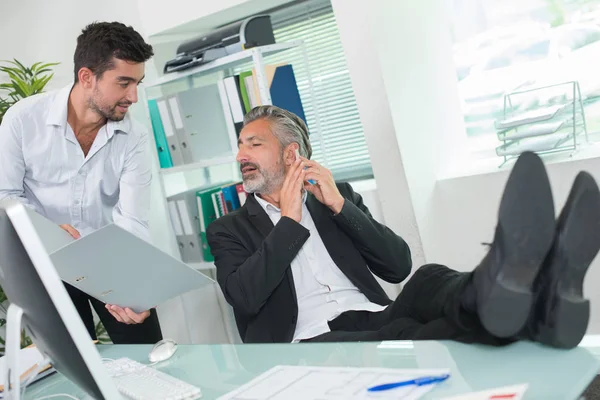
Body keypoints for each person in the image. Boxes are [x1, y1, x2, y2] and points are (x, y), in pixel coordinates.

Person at [207, 105, 600, 349]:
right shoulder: (229, 228)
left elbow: (398, 267)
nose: (241, 155)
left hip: (372, 312)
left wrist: (342, 207)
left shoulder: (334, 198)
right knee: (405, 336)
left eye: (254, 144)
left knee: (430, 277)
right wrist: (289, 220)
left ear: (291, 154)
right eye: (240, 145)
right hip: (306, 340)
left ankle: (521, 285)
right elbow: (245, 297)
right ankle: (543, 308)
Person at [0, 22, 162, 344]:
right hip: (48, 265)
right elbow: (5, 195)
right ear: (87, 77)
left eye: (138, 83)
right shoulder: (23, 120)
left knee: (149, 352)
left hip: (110, 261)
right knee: (76, 373)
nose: (133, 97)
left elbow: (132, 219)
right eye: (124, 83)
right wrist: (46, 231)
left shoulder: (135, 137)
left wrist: (135, 288)